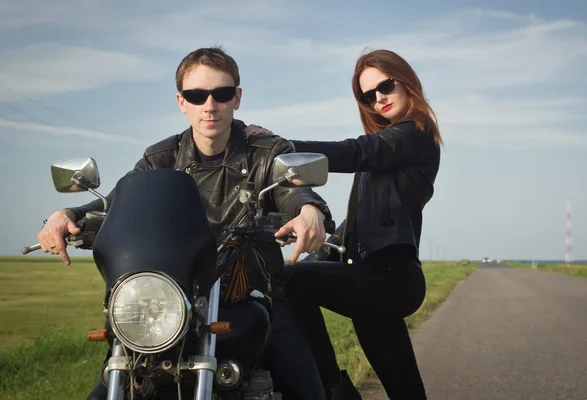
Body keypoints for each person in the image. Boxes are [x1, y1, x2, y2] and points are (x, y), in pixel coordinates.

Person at [37, 46, 334, 400]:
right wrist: (67, 216)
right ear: (182, 101)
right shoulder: (160, 157)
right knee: (115, 376)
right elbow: (118, 205)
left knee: (306, 388)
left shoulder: (266, 151)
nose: (210, 105)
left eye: (221, 94)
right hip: (168, 300)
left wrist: (308, 211)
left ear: (237, 98)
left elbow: (292, 191)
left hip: (250, 293)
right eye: (197, 95)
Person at [249, 49, 442, 399]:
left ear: (406, 80)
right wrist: (312, 252)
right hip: (369, 276)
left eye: (385, 86)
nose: (378, 98)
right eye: (368, 95)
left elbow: (356, 151)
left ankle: (333, 387)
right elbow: (351, 231)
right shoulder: (385, 156)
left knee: (294, 282)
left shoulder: (415, 132)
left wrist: (279, 148)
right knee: (406, 392)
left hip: (390, 278)